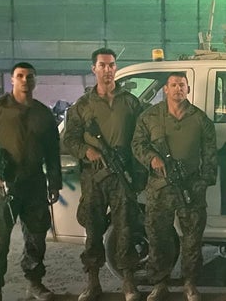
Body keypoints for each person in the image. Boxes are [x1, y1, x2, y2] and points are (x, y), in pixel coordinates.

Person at [0, 62, 62, 301]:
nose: (25, 80)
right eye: (20, 76)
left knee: (36, 237)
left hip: (34, 183)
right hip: (5, 184)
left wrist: (54, 182)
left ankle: (34, 282)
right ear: (12, 80)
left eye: (30, 76)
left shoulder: (43, 113)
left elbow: (53, 151)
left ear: (35, 80)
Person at [63, 48, 143, 301]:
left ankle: (128, 282)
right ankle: (93, 282)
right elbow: (70, 139)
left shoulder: (130, 102)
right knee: (94, 229)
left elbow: (141, 137)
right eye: (102, 65)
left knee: (126, 228)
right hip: (94, 177)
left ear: (115, 68)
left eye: (111, 65)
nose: (107, 70)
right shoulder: (82, 105)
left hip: (122, 176)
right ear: (93, 69)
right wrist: (86, 151)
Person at [131, 72, 217, 301]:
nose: (178, 88)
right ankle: (160, 283)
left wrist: (203, 182)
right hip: (160, 187)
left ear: (188, 89)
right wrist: (152, 158)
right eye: (173, 85)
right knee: (158, 237)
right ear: (165, 90)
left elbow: (210, 156)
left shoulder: (200, 119)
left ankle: (190, 283)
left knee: (192, 239)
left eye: (182, 85)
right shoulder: (150, 117)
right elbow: (137, 144)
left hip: (190, 187)